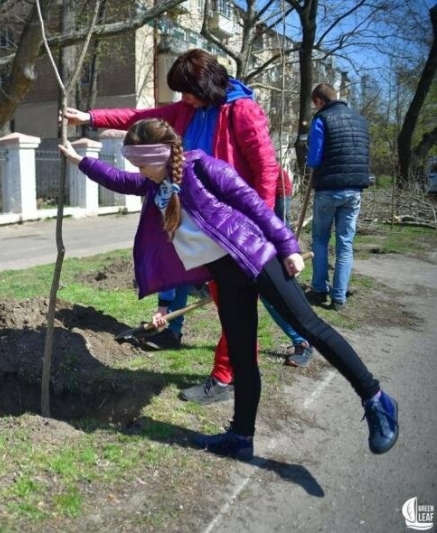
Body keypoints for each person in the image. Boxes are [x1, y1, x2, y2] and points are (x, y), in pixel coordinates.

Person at [59, 117, 398, 460]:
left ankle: (376, 400)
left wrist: (287, 245)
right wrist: (80, 160)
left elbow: (252, 203)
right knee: (241, 356)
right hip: (225, 276)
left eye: (142, 163)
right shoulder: (156, 186)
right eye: (136, 164)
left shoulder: (202, 168)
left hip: (256, 259)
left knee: (311, 327)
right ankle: (240, 437)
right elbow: (119, 179)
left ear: (160, 155)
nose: (139, 170)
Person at [63, 48, 315, 399]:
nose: (184, 98)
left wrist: (259, 224)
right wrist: (90, 116)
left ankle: (233, 373)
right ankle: (231, 363)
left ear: (208, 85)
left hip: (235, 224)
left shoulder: (242, 111)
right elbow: (140, 116)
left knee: (245, 301)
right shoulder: (186, 110)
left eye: (188, 90)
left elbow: (266, 168)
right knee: (231, 301)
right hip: (201, 225)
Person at [306, 83, 371, 311]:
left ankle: (319, 289)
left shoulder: (322, 119)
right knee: (345, 244)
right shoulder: (361, 121)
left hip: (329, 187)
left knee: (321, 239)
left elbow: (313, 159)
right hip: (354, 190)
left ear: (320, 101)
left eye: (315, 104)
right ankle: (339, 297)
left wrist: (309, 156)